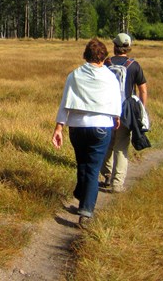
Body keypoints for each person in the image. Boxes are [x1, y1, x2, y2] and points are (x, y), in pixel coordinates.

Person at [52, 38, 121, 228]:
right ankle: (86, 211)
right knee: (92, 168)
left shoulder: (74, 75)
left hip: (77, 127)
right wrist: (116, 117)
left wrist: (59, 127)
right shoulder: (110, 77)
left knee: (82, 163)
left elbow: (65, 101)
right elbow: (117, 100)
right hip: (101, 126)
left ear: (85, 55)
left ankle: (81, 194)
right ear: (104, 57)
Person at [100, 32, 148, 193]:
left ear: (114, 47)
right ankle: (117, 184)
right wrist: (141, 110)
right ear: (128, 48)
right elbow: (143, 90)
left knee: (106, 144)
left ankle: (106, 175)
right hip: (125, 111)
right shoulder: (134, 65)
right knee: (121, 146)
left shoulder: (106, 63)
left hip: (106, 110)